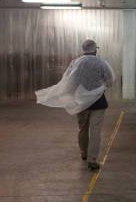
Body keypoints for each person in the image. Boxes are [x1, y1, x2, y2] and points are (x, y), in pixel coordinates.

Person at [35, 39, 114, 171]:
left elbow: (69, 81)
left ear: (83, 50)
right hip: (98, 102)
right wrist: (99, 88)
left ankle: (84, 153)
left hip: (81, 102)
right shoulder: (101, 62)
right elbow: (110, 80)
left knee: (82, 128)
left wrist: (75, 95)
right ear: (95, 50)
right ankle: (92, 160)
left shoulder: (76, 62)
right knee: (96, 131)